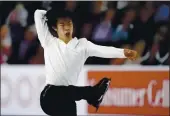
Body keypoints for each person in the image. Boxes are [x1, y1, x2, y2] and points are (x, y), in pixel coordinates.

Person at [34, 8, 138, 116]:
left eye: (69, 23)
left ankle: (93, 94)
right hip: (49, 96)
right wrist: (52, 14)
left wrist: (123, 52)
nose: (67, 27)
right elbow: (38, 13)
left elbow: (103, 50)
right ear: (55, 27)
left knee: (69, 97)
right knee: (60, 91)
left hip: (68, 99)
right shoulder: (49, 41)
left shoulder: (82, 45)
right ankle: (93, 93)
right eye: (62, 25)